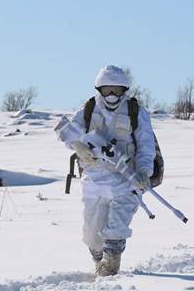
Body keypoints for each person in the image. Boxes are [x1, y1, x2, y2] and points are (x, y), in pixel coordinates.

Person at [62, 65, 156, 276]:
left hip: (126, 180)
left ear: (125, 90)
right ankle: (99, 264)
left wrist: (143, 171)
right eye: (107, 90)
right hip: (94, 179)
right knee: (91, 235)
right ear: (99, 89)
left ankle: (110, 270)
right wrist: (78, 147)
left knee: (115, 228)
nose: (112, 95)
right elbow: (68, 133)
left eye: (117, 90)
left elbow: (146, 145)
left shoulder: (136, 113)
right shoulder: (87, 110)